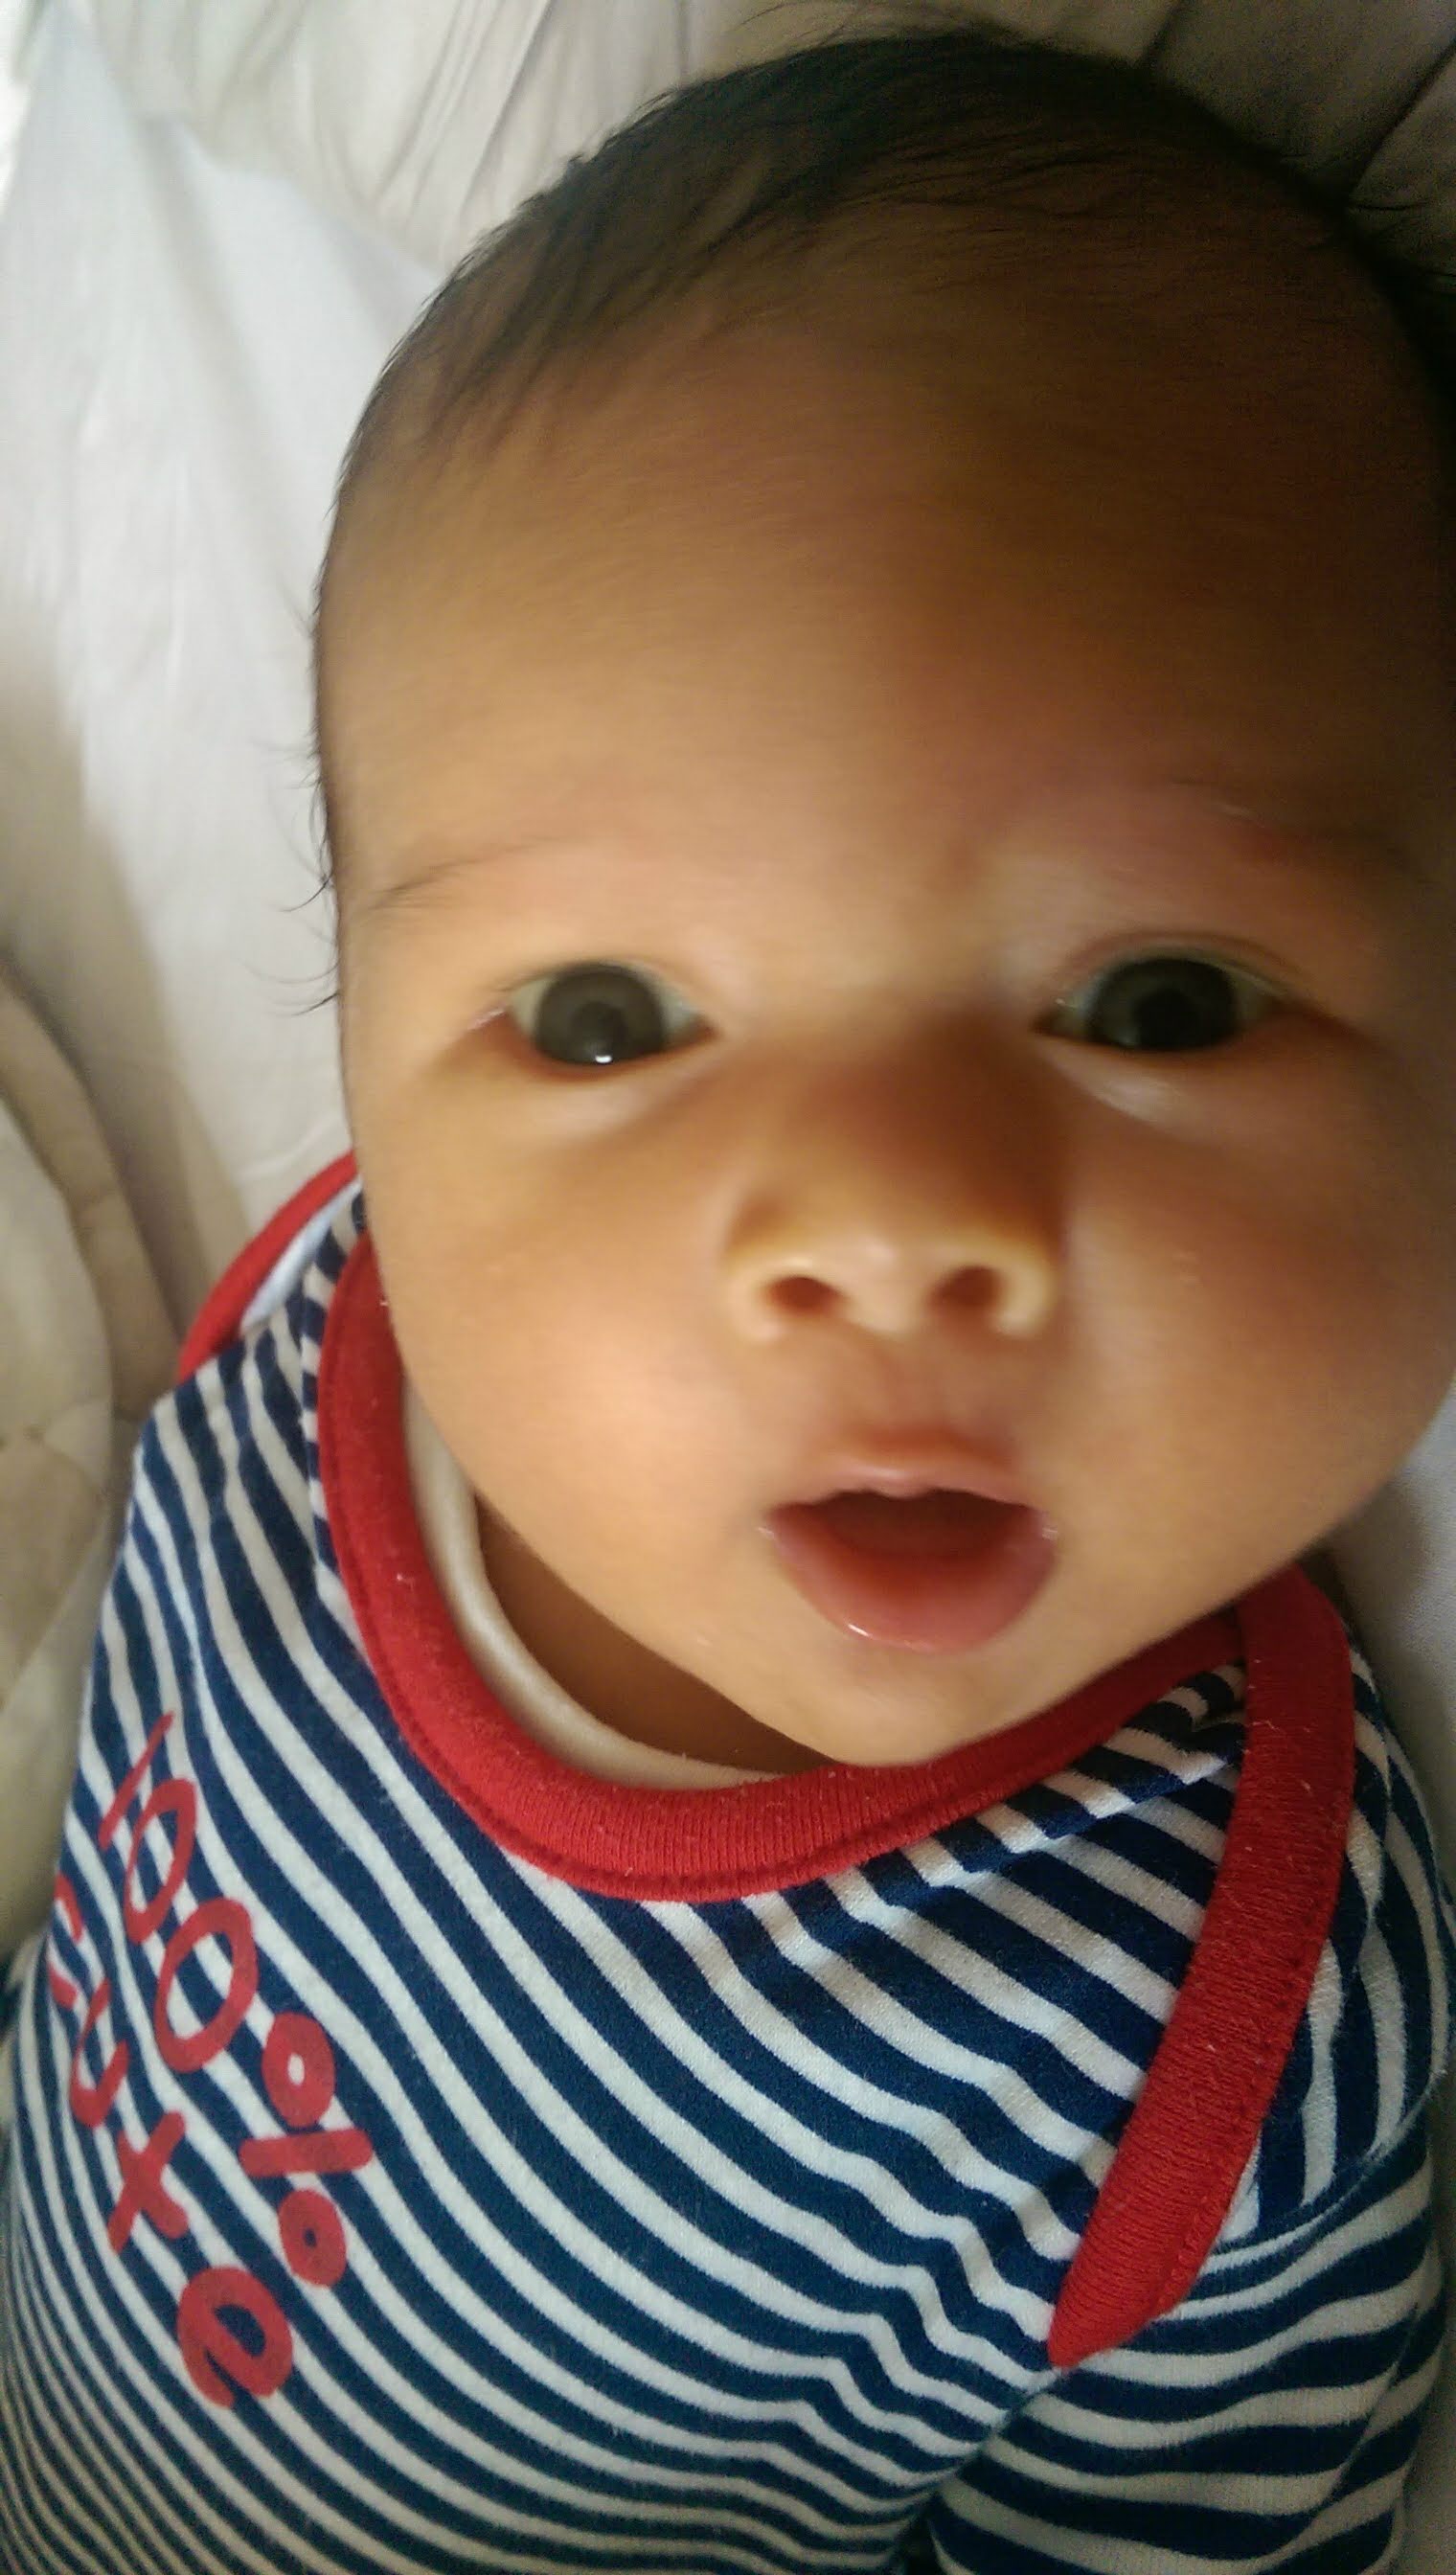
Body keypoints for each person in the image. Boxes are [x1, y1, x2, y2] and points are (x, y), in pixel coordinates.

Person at [3, 19, 1455, 2571]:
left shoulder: (1224, 2049)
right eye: (603, 1021)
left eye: (1157, 1002)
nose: (880, 1227)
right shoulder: (310, 1333)